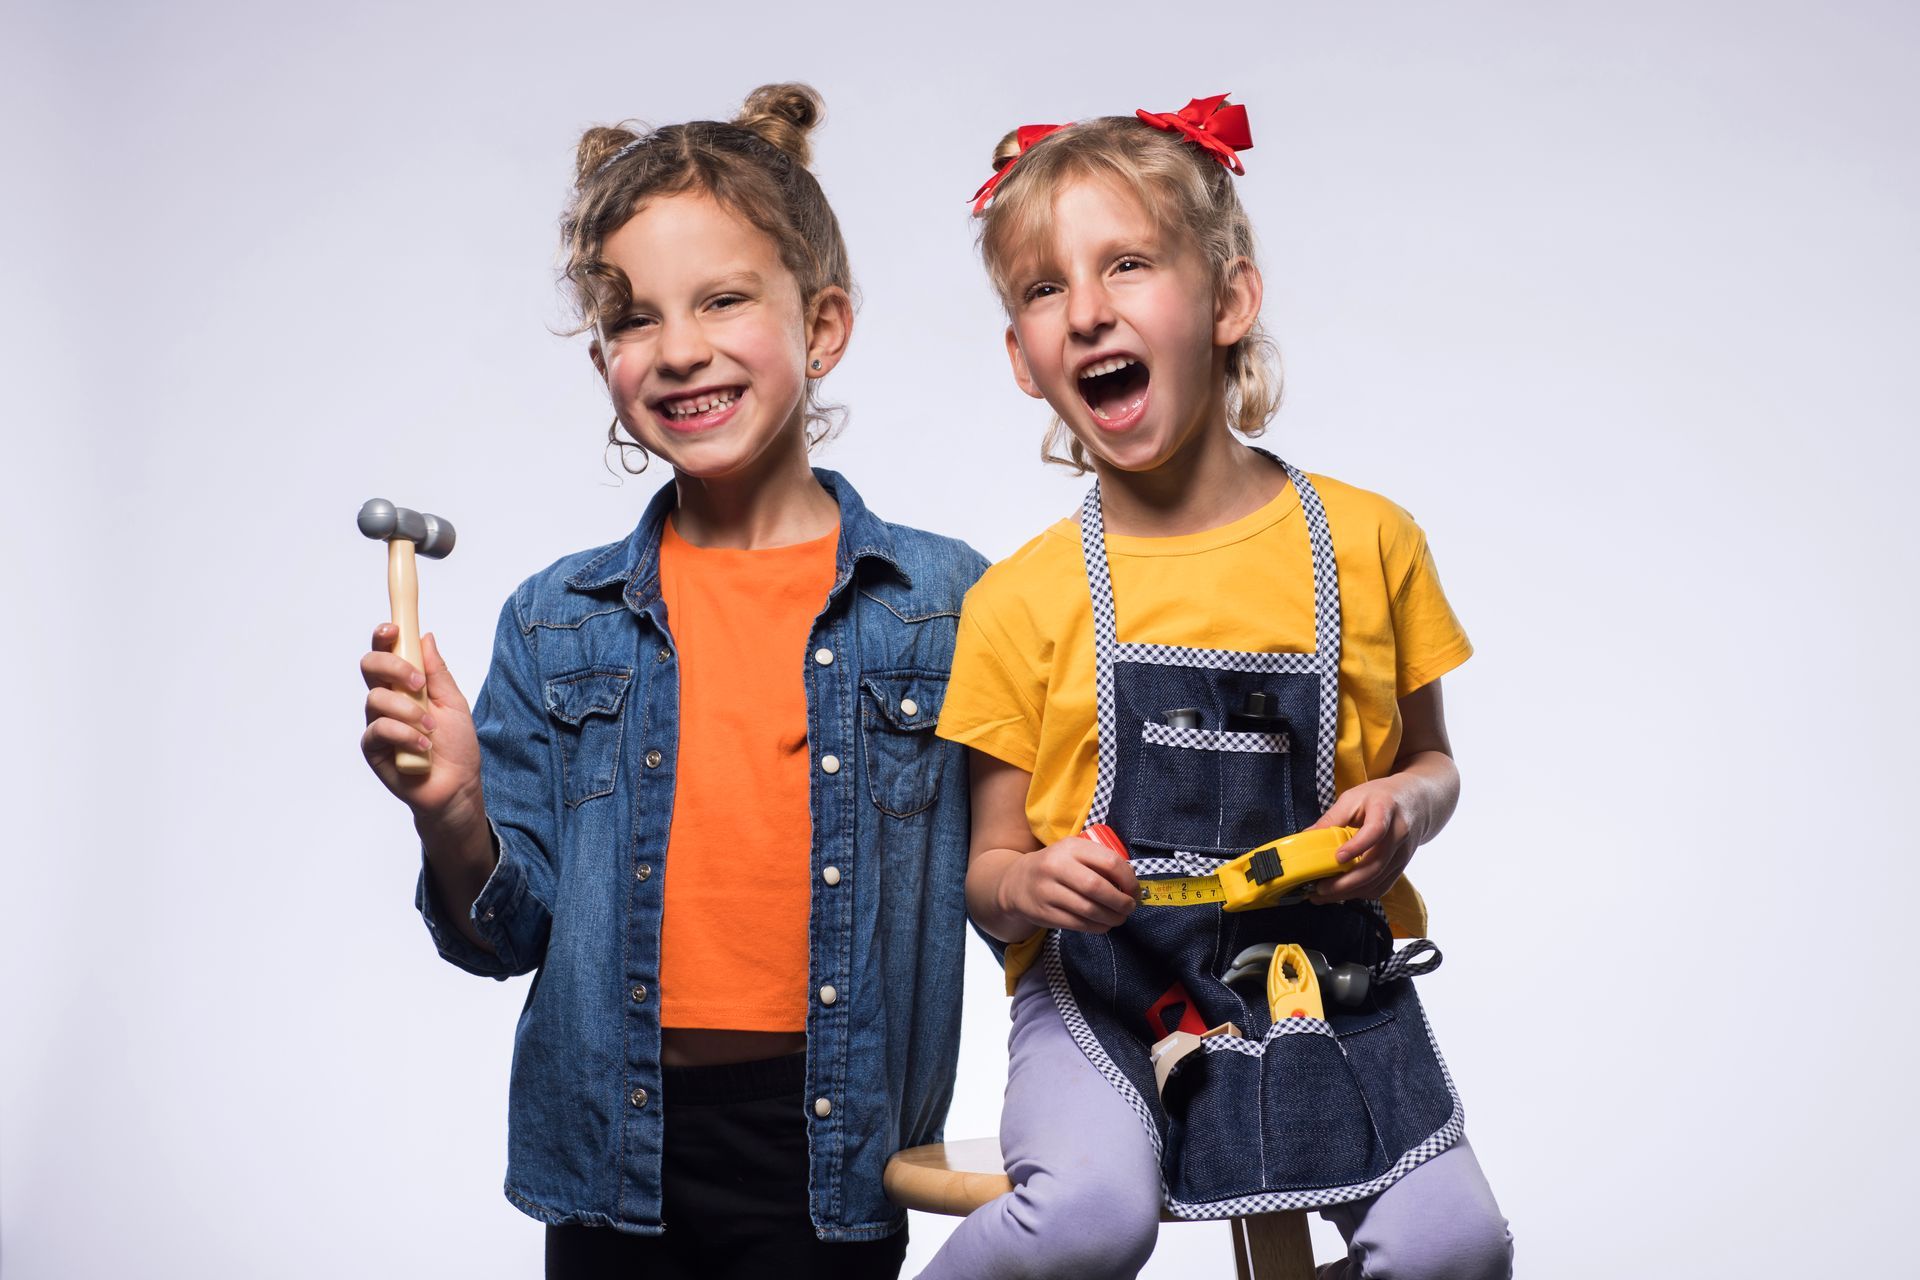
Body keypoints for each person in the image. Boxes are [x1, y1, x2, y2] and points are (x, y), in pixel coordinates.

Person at [357, 84, 986, 1280]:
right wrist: (451, 809)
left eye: (724, 298)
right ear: (603, 357)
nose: (680, 347)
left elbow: (1016, 880)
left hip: (836, 1146)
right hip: (610, 1149)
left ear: (824, 325)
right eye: (634, 318)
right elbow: (504, 935)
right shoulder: (557, 619)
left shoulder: (949, 605)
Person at [924, 96, 1513, 1279]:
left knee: (1457, 1246)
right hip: (1105, 993)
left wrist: (1404, 810)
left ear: (1230, 301)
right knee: (1089, 1213)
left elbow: (1435, 763)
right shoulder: (1021, 601)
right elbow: (987, 883)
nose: (1086, 308)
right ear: (1022, 360)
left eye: (1128, 264)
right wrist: (1038, 880)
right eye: (1044, 289)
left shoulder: (1369, 540)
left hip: (1316, 982)